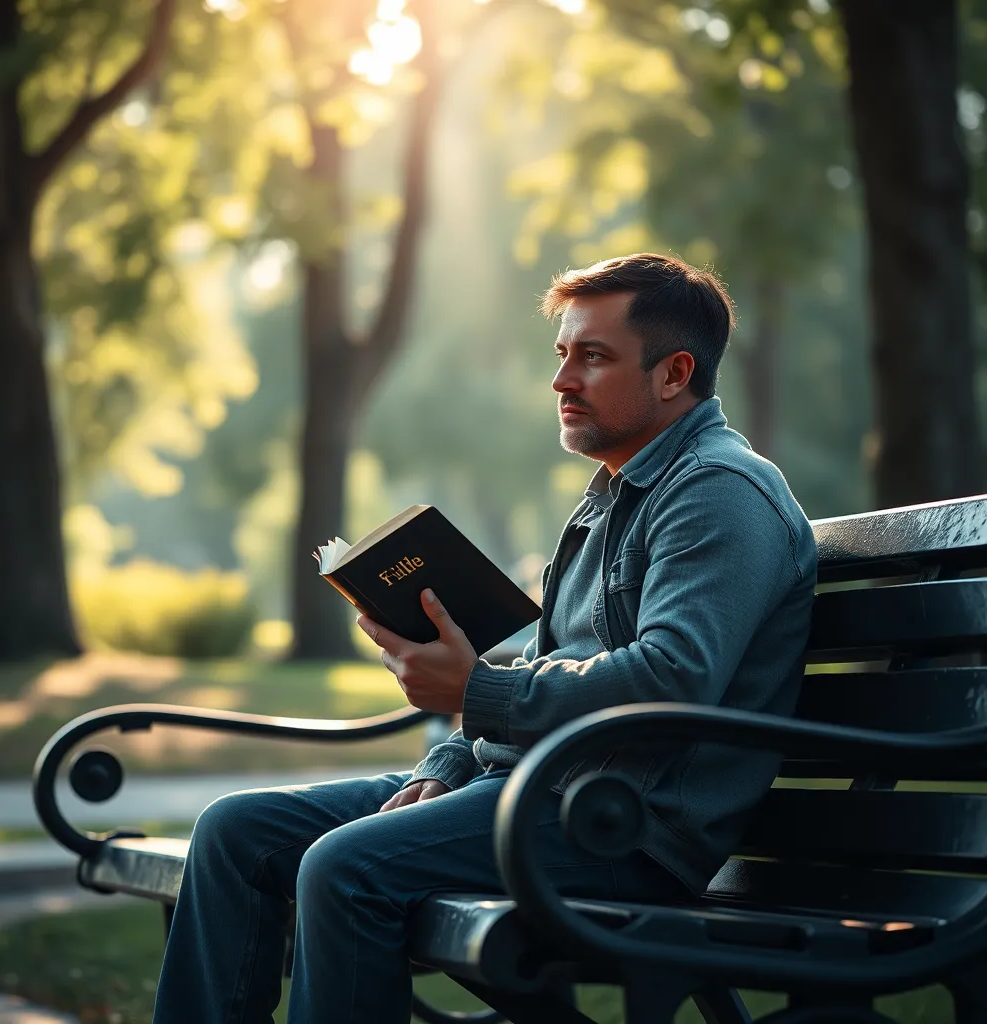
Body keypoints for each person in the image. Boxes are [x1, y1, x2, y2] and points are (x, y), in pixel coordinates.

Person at [152, 253, 818, 1024]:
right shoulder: (617, 493)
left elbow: (674, 677)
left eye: (593, 357)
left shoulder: (718, 492)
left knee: (345, 868)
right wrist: (446, 755)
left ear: (674, 374)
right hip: (538, 792)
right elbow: (553, 663)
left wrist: (477, 691)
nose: (562, 380)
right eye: (562, 354)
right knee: (237, 831)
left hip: (623, 826)